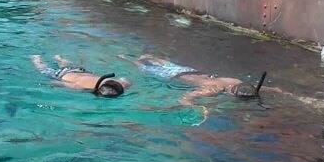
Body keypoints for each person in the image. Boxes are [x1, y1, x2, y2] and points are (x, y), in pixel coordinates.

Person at [118, 54, 280, 106]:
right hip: (173, 77)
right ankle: (128, 59)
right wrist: (196, 108)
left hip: (190, 71)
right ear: (232, 94)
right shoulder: (214, 90)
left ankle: (150, 56)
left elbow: (258, 88)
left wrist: (276, 90)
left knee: (167, 63)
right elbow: (185, 98)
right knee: (143, 66)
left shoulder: (235, 81)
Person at [32, 55, 132, 97]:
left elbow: (126, 81)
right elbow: (55, 82)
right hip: (62, 74)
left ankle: (59, 58)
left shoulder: (110, 80)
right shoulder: (80, 87)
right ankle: (36, 58)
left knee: (67, 66)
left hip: (79, 71)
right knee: (43, 70)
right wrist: (52, 84)